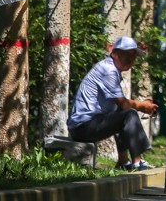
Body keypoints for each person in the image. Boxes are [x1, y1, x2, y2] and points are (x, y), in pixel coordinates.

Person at [67, 36, 158, 170]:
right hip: (83, 126)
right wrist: (142, 106)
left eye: (133, 56)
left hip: (87, 124)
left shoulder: (111, 70)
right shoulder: (108, 71)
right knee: (129, 114)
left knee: (121, 114)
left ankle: (123, 162)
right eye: (126, 55)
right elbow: (124, 104)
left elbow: (119, 107)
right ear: (114, 54)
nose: (130, 59)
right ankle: (138, 162)